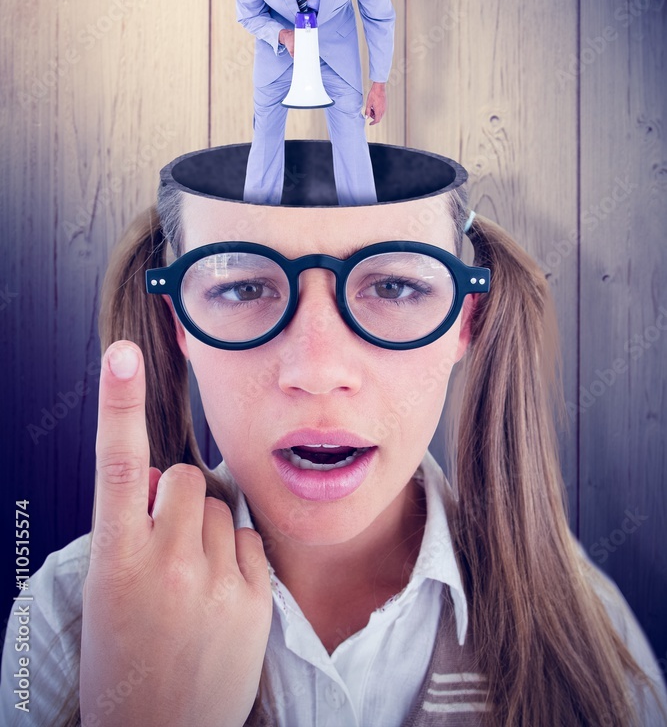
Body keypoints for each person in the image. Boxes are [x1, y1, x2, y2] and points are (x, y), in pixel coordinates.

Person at [2, 141, 666, 727]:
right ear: (179, 324)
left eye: (397, 285)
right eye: (240, 289)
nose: (317, 372)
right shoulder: (62, 615)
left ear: (465, 321)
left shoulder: (587, 631)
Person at [234, 0, 395, 206]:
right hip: (278, 53)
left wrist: (379, 83)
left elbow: (379, 16)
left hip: (337, 53)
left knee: (352, 143)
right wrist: (282, 35)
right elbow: (249, 15)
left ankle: (363, 228)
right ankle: (255, 230)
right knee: (264, 141)